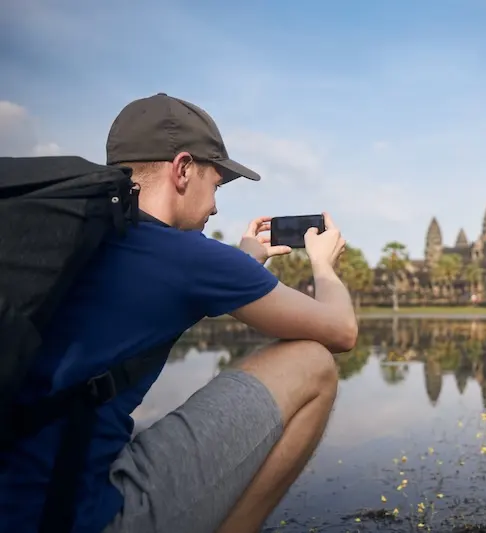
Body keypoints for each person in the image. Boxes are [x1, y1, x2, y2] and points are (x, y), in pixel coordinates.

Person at [0, 93, 358, 533]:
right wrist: (322, 263)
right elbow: (341, 331)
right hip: (78, 517)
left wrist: (243, 260)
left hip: (19, 499)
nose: (216, 205)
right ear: (183, 169)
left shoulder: (79, 239)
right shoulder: (186, 255)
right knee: (312, 364)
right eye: (216, 184)